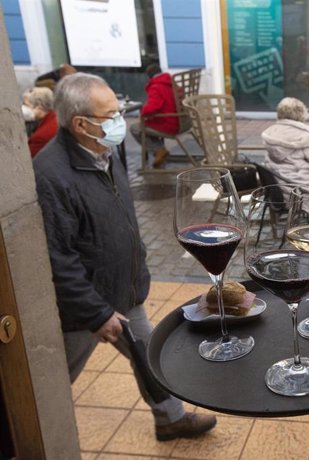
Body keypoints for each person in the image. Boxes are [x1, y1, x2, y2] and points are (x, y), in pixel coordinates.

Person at [32, 73, 217, 442]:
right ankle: (21, 437)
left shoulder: (103, 152)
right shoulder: (51, 175)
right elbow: (57, 257)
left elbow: (119, 218)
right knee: (48, 384)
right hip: (83, 307)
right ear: (81, 124)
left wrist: (139, 265)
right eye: (111, 115)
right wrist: (95, 314)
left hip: (123, 290)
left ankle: (170, 418)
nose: (121, 122)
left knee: (149, 355)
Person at [262, 97, 309, 191]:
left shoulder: (271, 133)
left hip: (277, 189)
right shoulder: (304, 136)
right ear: (301, 114)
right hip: (305, 193)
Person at [129, 64, 178, 168]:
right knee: (146, 126)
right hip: (179, 120)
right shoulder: (172, 82)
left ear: (149, 77)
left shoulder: (156, 86)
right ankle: (160, 150)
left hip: (167, 123)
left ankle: (159, 150)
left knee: (135, 128)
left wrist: (142, 113)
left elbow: (152, 107)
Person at [23, 87, 58, 157]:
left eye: (26, 105)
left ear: (39, 108)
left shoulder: (40, 137)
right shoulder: (56, 118)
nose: (23, 109)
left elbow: (25, 159)